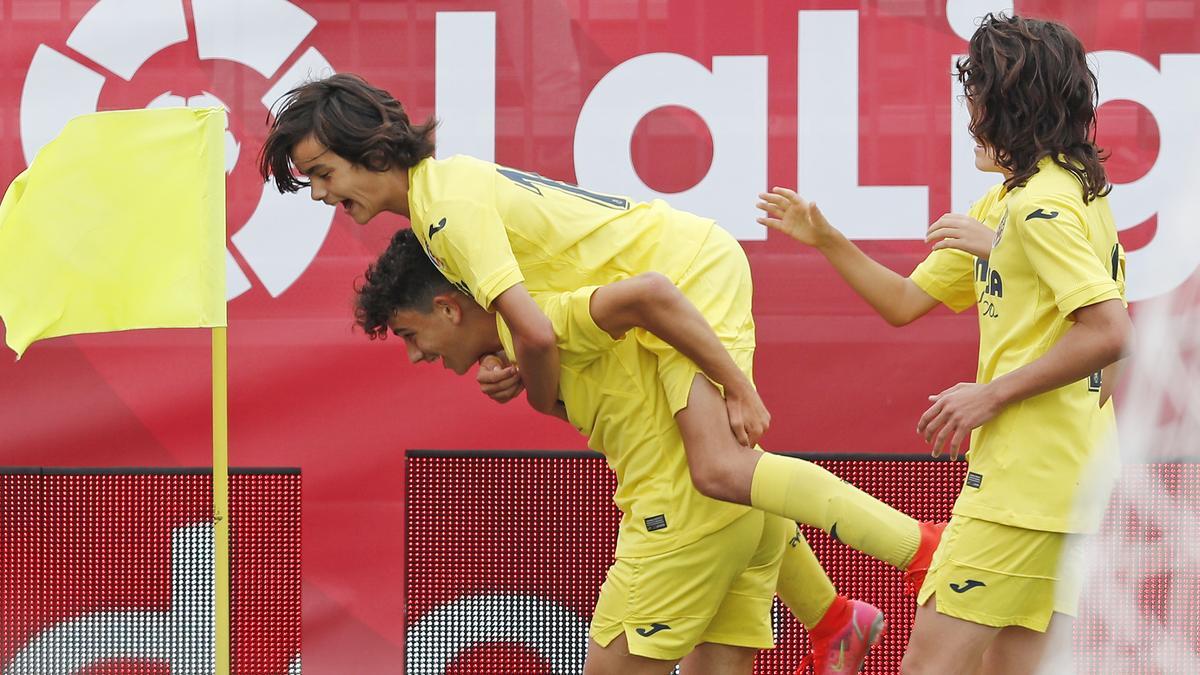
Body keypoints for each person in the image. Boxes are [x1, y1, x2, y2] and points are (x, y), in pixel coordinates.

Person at [257, 77, 943, 613]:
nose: (320, 194)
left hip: (684, 271)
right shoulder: (442, 200)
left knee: (719, 469)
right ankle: (830, 618)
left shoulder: (445, 210)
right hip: (664, 282)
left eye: (323, 174)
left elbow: (531, 329)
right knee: (720, 481)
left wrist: (542, 387)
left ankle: (920, 546)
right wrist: (509, 365)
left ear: (373, 153)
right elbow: (521, 326)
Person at [757, 13, 1131, 674]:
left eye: (977, 96)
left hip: (1022, 486)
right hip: (1074, 482)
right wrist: (827, 238)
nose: (968, 114)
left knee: (928, 667)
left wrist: (991, 394)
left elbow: (1107, 330)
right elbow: (904, 303)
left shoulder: (1039, 209)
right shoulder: (1041, 199)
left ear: (1011, 106)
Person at [357, 228, 881, 673]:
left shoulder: (556, 318)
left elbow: (646, 296)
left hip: (681, 520)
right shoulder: (547, 320)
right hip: (748, 517)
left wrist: (740, 388)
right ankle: (833, 616)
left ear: (448, 307)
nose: (414, 354)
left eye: (409, 333)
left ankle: (913, 550)